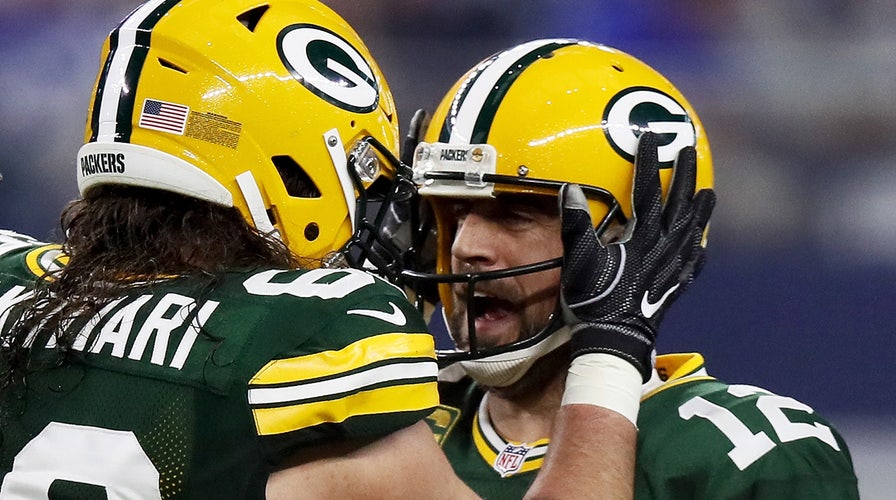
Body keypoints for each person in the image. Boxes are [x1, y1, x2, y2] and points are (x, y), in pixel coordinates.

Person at [0, 2, 649, 498]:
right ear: (298, 165)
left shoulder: (10, 279)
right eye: (359, 178)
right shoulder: (310, 325)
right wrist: (610, 352)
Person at [402, 39, 860, 499]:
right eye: (454, 214)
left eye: (515, 215)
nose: (466, 247)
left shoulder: (748, 453)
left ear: (635, 235)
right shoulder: (402, 425)